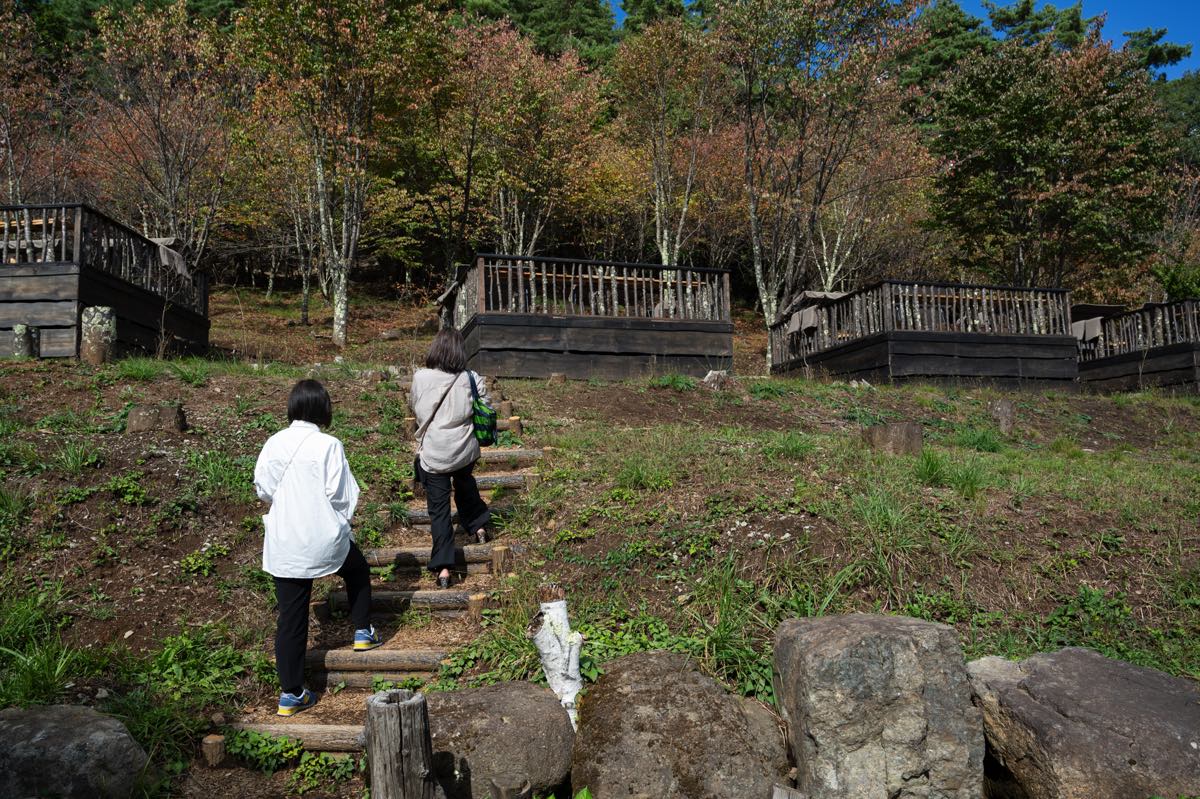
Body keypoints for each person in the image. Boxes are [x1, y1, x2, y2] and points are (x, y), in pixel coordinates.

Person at [254, 379, 381, 717]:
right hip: (322, 536)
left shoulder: (274, 443)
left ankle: (291, 694)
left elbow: (264, 490)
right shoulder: (329, 445)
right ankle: (362, 632)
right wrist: (341, 522)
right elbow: (340, 495)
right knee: (357, 570)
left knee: (291, 618)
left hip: (285, 542)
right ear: (324, 408)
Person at [410, 328, 492, 589]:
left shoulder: (421, 378)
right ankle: (478, 526)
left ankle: (444, 567)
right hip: (465, 449)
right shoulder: (471, 377)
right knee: (465, 482)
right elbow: (485, 407)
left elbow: (417, 409)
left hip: (435, 452)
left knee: (439, 510)